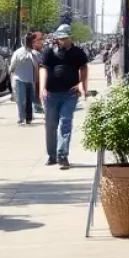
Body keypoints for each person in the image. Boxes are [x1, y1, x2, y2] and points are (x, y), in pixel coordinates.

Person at [39, 24, 89, 169]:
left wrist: (82, 85)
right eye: (60, 38)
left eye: (65, 38)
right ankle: (52, 156)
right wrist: (42, 88)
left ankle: (63, 155)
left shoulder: (78, 53)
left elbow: (84, 68)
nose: (63, 41)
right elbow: (43, 69)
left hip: (70, 94)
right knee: (50, 125)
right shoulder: (49, 52)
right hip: (51, 93)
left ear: (70, 37)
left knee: (66, 123)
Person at [9, 33, 39, 125]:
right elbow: (12, 65)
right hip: (19, 79)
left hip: (30, 80)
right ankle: (21, 117)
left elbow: (38, 65)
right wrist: (11, 72)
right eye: (29, 41)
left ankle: (28, 118)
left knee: (29, 100)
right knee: (21, 99)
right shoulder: (18, 52)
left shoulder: (34, 54)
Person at [30, 32, 44, 113]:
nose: (42, 42)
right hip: (36, 76)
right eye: (39, 40)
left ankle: (38, 105)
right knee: (36, 91)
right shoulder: (33, 53)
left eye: (42, 40)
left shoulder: (40, 52)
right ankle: (36, 106)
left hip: (39, 76)